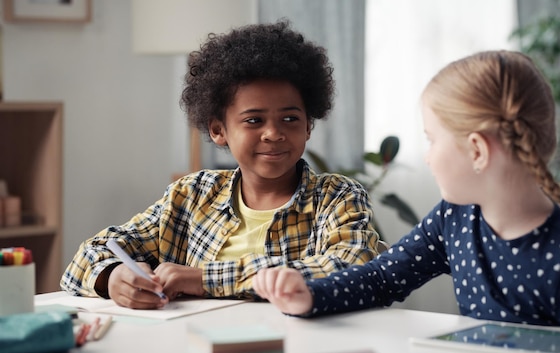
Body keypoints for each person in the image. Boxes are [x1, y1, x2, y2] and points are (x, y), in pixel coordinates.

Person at [253, 50, 560, 332]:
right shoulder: (454, 218)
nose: (428, 157)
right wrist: (311, 295)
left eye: (431, 140)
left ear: (477, 150)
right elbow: (382, 278)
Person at [61, 20, 380, 309]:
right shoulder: (191, 196)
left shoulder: (337, 197)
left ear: (308, 125)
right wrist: (114, 276)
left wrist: (202, 278)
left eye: (290, 118)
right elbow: (92, 253)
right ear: (218, 130)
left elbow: (350, 266)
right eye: (254, 120)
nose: (273, 133)